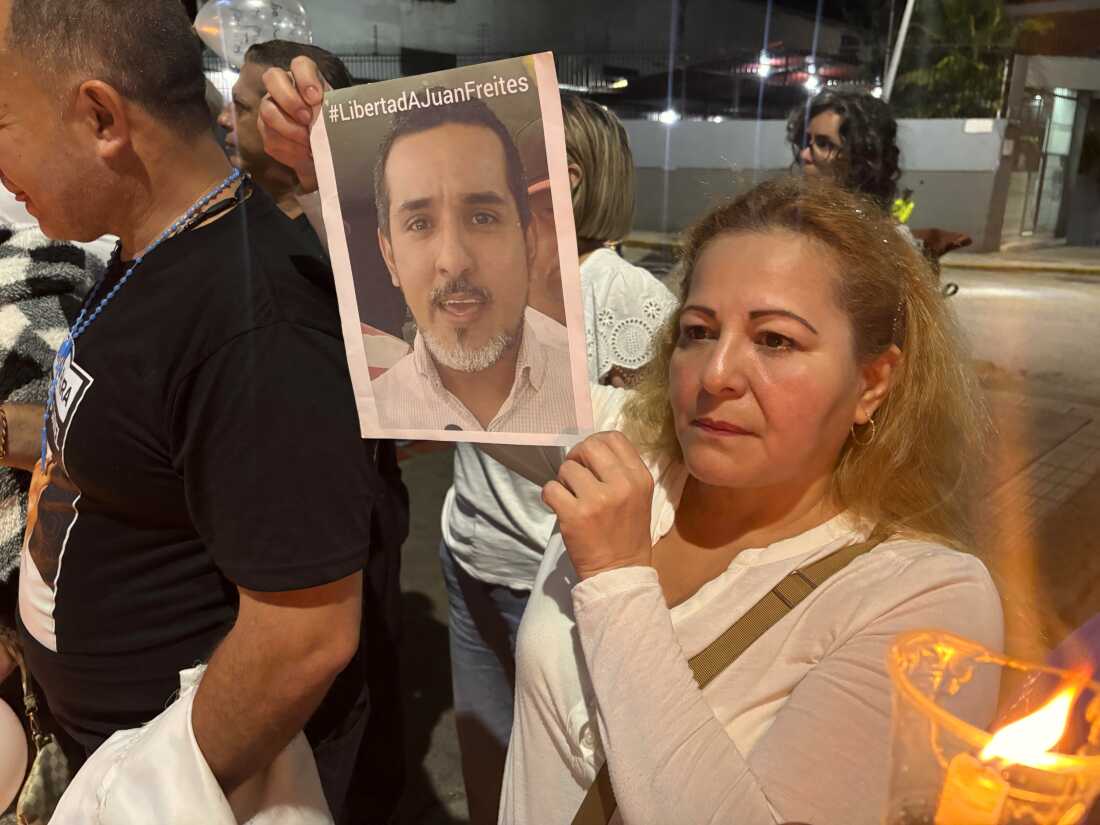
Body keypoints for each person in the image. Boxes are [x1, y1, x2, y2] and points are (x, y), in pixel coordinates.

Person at [0, 2, 407, 823]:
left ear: (101, 117)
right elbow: (128, 443)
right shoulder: (155, 249)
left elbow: (304, 638)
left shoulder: (257, 319)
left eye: (2, 122)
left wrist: (131, 796)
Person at [490, 177, 1003, 824]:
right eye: (698, 331)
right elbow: (445, 347)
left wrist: (619, 580)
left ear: (873, 382)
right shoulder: (630, 447)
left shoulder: (927, 600)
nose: (715, 374)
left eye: (776, 340)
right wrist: (327, 170)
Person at [368, 98, 579, 435]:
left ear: (528, 242)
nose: (453, 262)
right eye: (420, 224)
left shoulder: (582, 378)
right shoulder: (377, 408)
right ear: (390, 257)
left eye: (483, 217)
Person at [219, 40, 353, 237]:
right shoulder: (232, 206)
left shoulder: (338, 238)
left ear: (290, 116)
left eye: (240, 105)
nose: (223, 119)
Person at [786, 88, 902, 212]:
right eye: (805, 141)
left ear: (862, 158)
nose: (804, 155)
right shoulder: (790, 218)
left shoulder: (880, 230)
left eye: (824, 144)